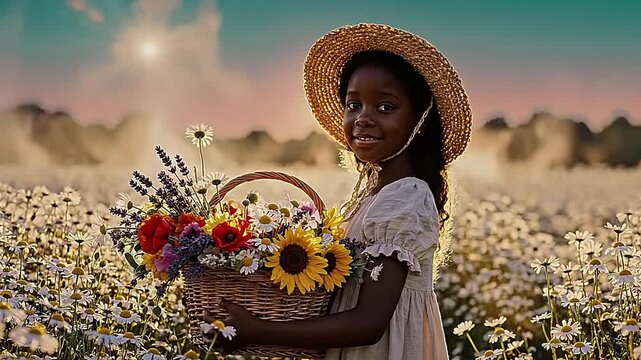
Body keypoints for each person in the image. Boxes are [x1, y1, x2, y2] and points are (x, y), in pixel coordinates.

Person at [204, 23, 472, 360]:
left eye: (385, 107)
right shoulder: (374, 193)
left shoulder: (407, 198)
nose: (363, 118)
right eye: (353, 105)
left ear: (421, 121)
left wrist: (260, 329)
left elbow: (370, 324)